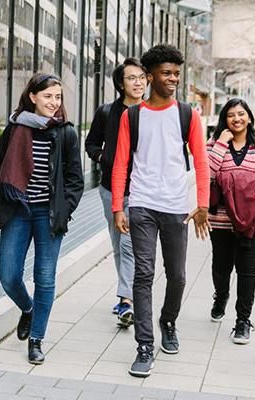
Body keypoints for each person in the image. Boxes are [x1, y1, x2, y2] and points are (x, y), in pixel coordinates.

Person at [110, 44, 210, 377]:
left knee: (178, 276)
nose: (173, 79)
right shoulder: (132, 115)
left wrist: (202, 205)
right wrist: (118, 207)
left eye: (176, 74)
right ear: (150, 76)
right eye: (166, 73)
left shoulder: (187, 114)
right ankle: (144, 345)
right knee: (143, 274)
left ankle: (168, 320)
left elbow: (201, 160)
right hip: (141, 204)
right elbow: (121, 162)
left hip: (175, 206)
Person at [0, 73, 83, 365]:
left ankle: (36, 339)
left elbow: (74, 180)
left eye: (58, 97)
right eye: (48, 96)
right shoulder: (15, 128)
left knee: (45, 278)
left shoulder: (66, 132)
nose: (54, 103)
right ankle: (28, 309)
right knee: (8, 276)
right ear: (32, 96)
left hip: (49, 214)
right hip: (18, 211)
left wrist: (64, 210)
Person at [85, 58, 146, 328]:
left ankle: (127, 302)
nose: (138, 82)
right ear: (121, 84)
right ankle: (125, 294)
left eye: (142, 77)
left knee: (128, 245)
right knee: (118, 246)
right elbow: (91, 142)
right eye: (132, 78)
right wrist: (103, 157)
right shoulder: (107, 112)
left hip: (140, 190)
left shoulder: (151, 112)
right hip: (110, 188)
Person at [206, 98, 255, 344]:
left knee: (246, 268)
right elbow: (207, 174)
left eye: (241, 114)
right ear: (225, 120)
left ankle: (243, 321)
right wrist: (221, 143)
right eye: (231, 115)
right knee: (221, 266)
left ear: (249, 117)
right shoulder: (213, 144)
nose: (237, 119)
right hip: (220, 218)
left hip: (254, 221)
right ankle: (221, 296)